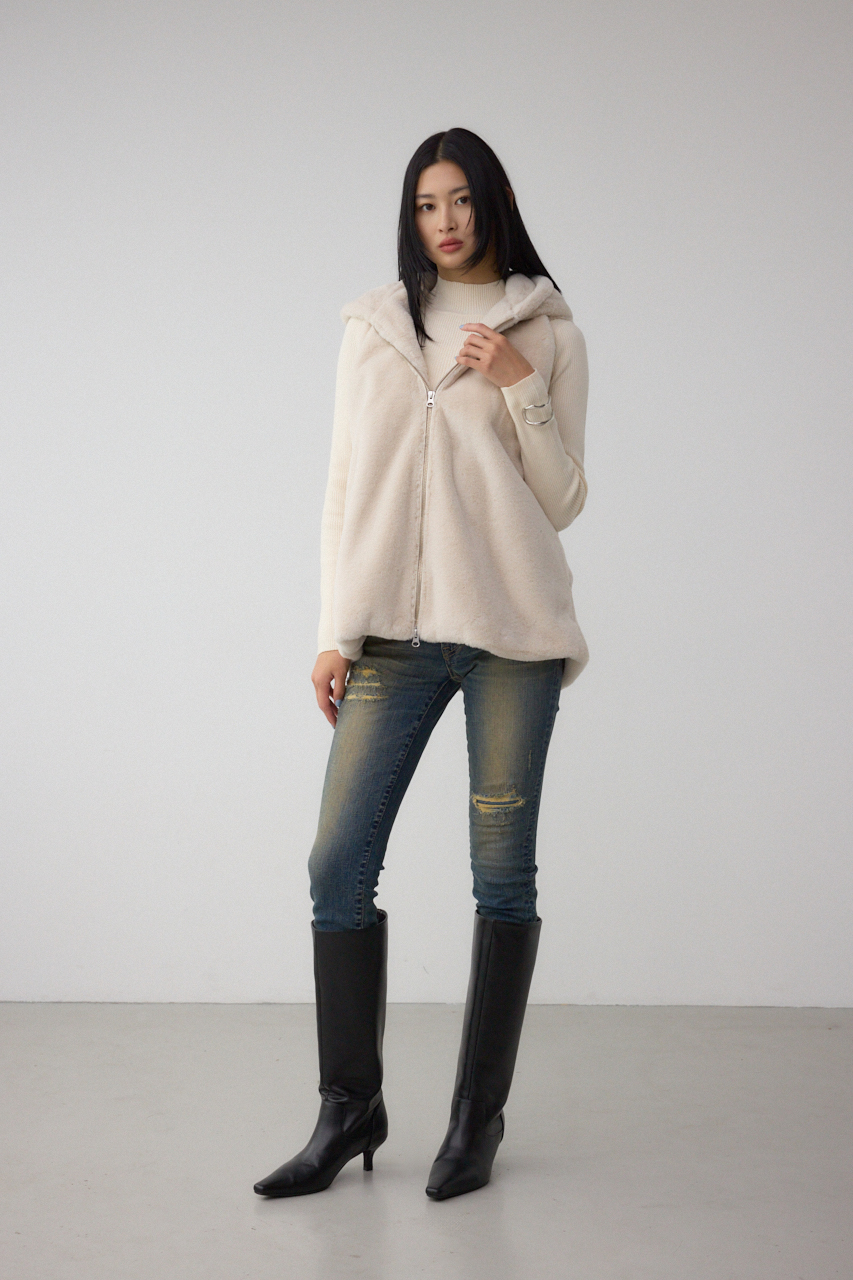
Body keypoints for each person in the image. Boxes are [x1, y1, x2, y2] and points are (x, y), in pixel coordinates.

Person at [253, 127, 589, 1202]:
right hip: (394, 642)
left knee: (501, 873)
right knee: (335, 865)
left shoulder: (547, 330)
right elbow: (343, 483)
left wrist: (521, 383)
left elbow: (563, 499)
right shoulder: (374, 327)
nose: (444, 221)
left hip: (509, 636)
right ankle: (348, 1107)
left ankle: (474, 1122)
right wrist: (333, 629)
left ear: (494, 201)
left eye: (461, 200)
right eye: (425, 205)